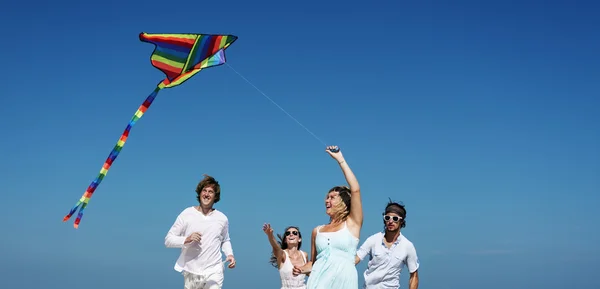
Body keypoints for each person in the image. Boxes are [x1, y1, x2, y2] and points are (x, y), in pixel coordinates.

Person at [293, 145, 363, 289]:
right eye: (327, 197)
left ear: (344, 202)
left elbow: (355, 189)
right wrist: (301, 269)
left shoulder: (352, 224)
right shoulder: (317, 231)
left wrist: (340, 159)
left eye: (332, 197)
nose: (327, 200)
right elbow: (313, 263)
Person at [164, 174, 236, 289]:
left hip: (214, 270)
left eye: (210, 192)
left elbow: (225, 240)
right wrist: (186, 239)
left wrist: (230, 254)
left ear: (215, 196)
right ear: (200, 193)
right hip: (191, 271)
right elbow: (168, 240)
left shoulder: (222, 218)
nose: (206, 194)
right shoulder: (187, 214)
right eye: (204, 190)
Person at [354, 200, 420, 289]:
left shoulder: (407, 246)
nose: (390, 221)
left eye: (395, 218)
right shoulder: (373, 240)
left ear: (401, 221)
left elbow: (414, 275)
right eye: (387, 218)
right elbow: (355, 260)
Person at [263, 223, 309, 289]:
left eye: (295, 233)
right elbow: (276, 247)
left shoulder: (304, 255)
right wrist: (270, 234)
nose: (291, 234)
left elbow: (308, 271)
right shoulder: (283, 255)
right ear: (285, 240)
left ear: (299, 239)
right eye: (287, 233)